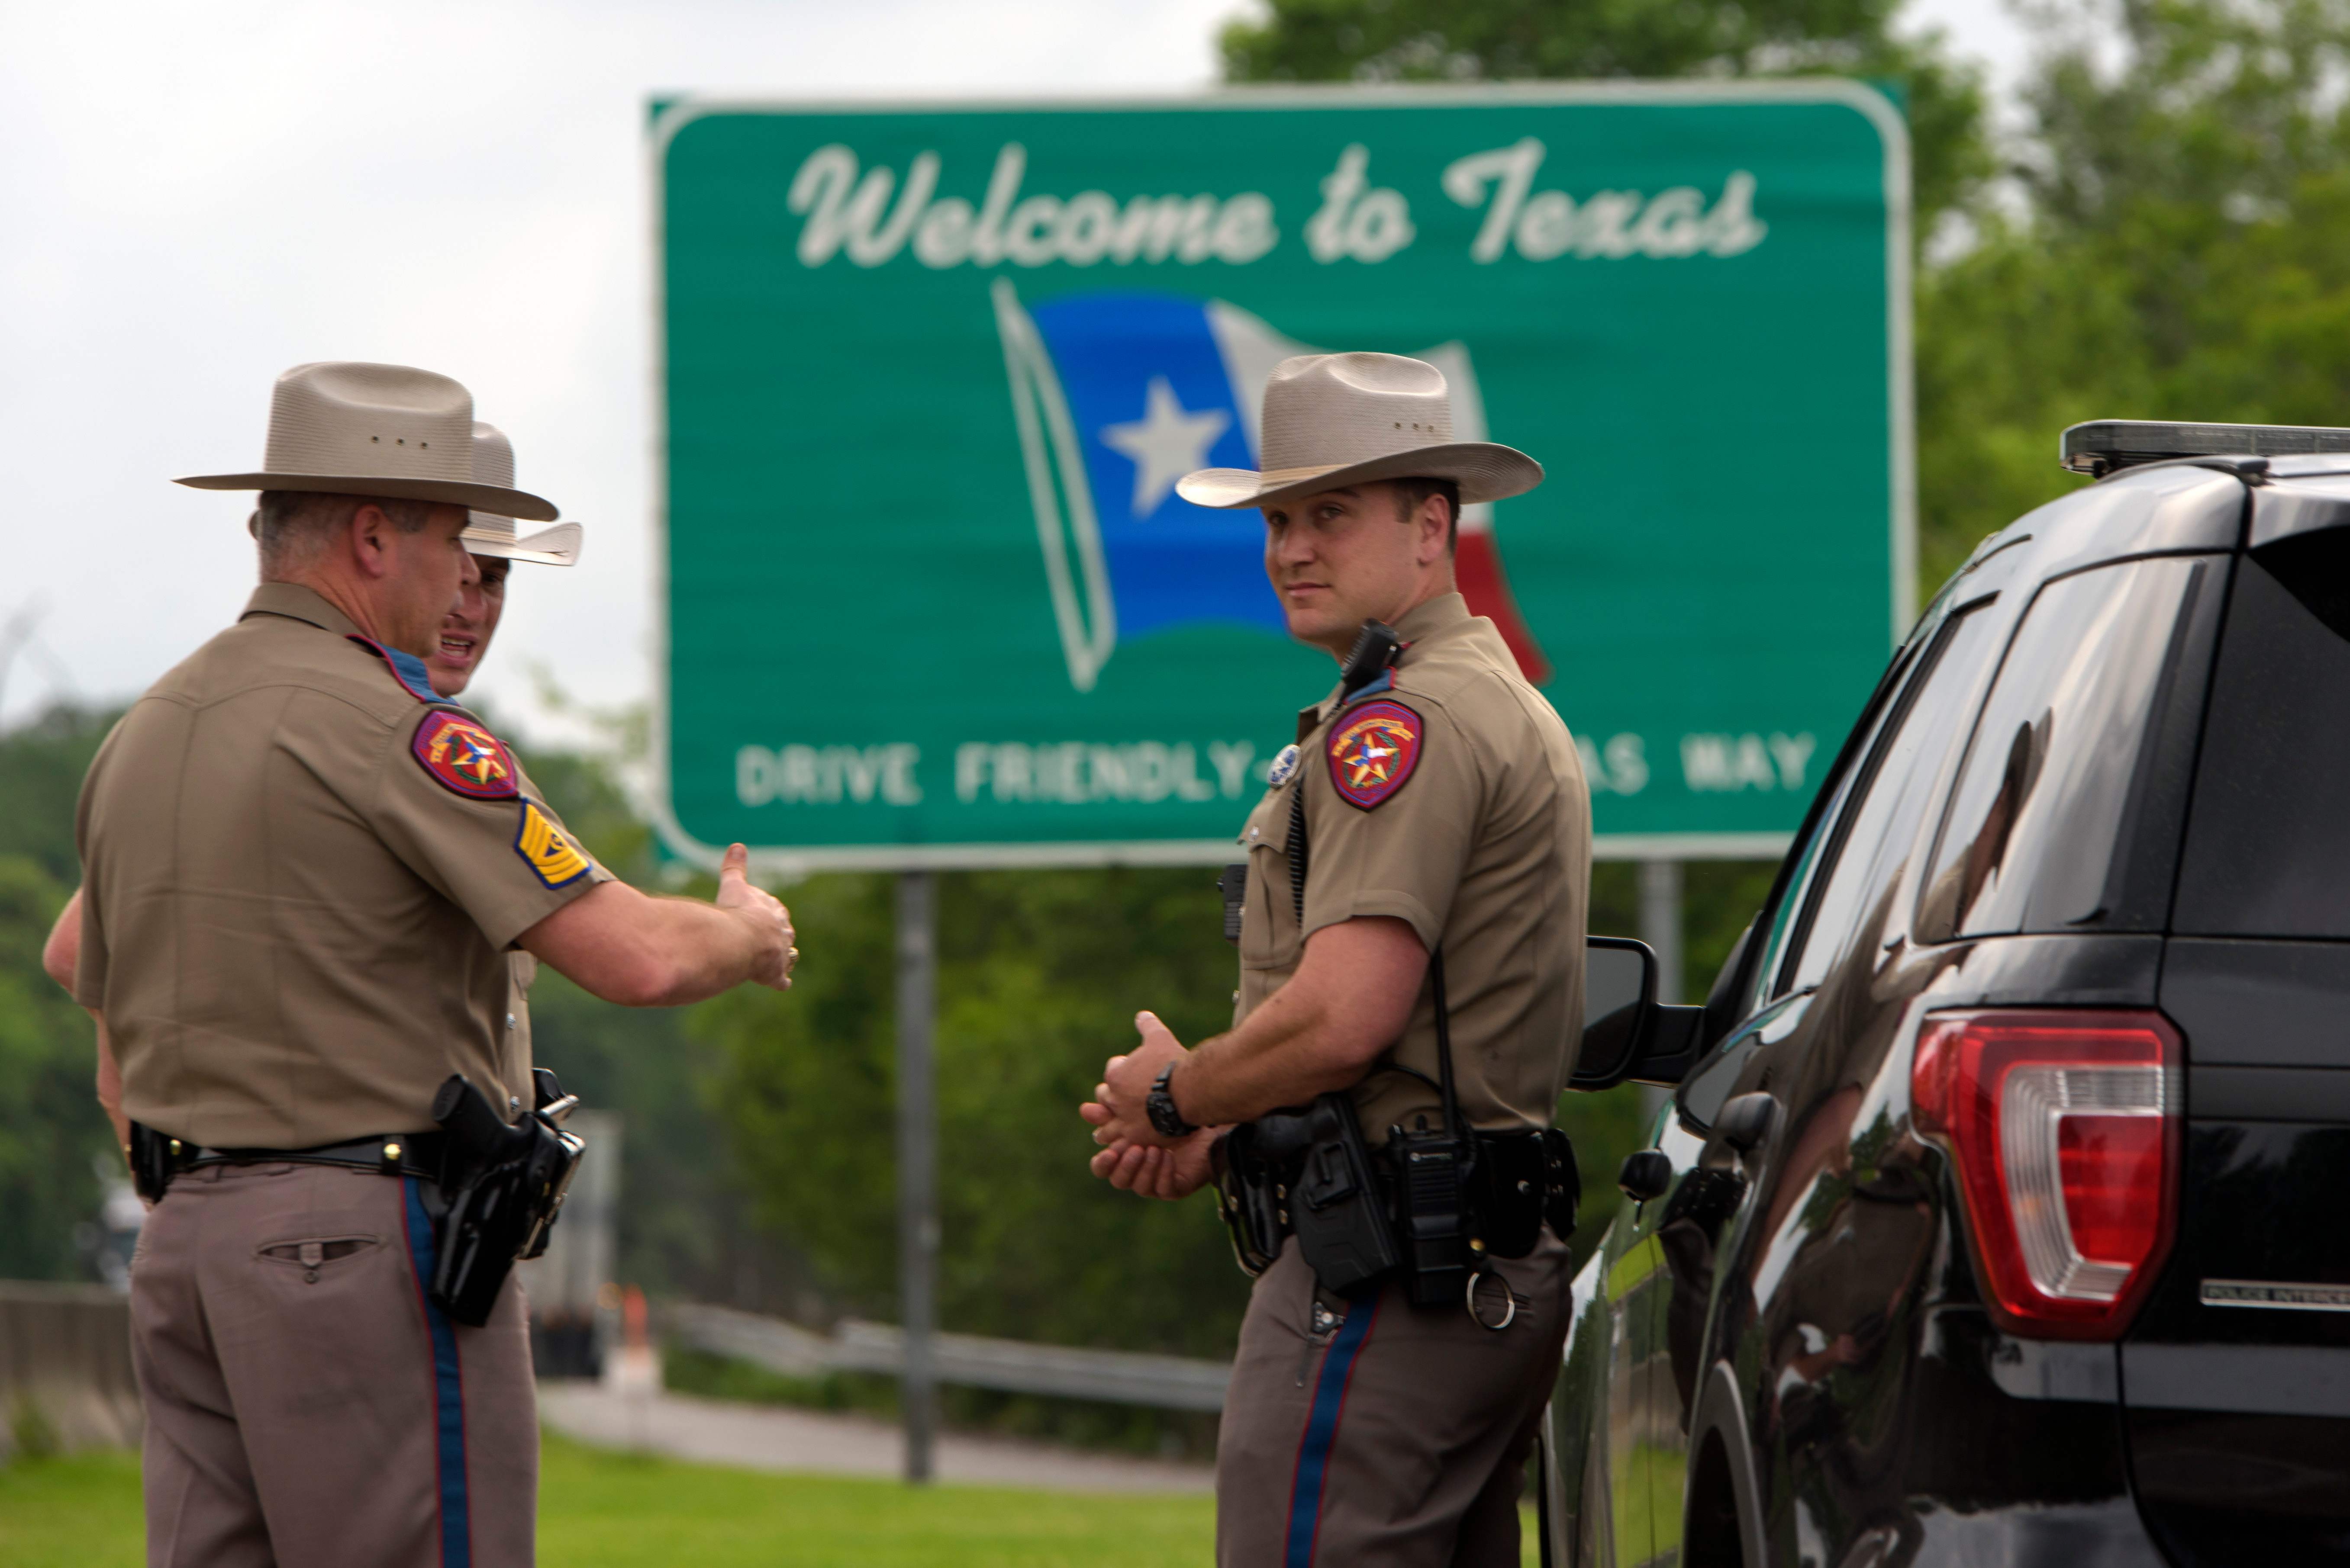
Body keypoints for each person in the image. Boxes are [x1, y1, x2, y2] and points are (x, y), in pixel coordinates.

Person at [61, 361, 795, 1568]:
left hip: (187, 1244)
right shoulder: (396, 731)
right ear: (368, 537)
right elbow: (630, 959)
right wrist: (747, 932)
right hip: (355, 1248)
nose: (466, 576)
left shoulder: (149, 730)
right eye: (457, 541)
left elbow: (87, 971)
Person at [1080, 352, 1592, 1567]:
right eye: (1276, 519)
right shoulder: (1486, 698)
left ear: (1429, 529)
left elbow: (1344, 1018)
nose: (1288, 549)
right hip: (1462, 1264)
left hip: (1389, 1283)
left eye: (1329, 514)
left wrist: (1173, 1097)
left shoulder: (1400, 725)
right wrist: (1233, 1125)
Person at [39, 420, 580, 1133]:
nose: (468, 604)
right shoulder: (339, 730)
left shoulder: (405, 735)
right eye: (456, 562)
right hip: (346, 1208)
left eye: (494, 579)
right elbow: (75, 951)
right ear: (376, 548)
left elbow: (78, 952)